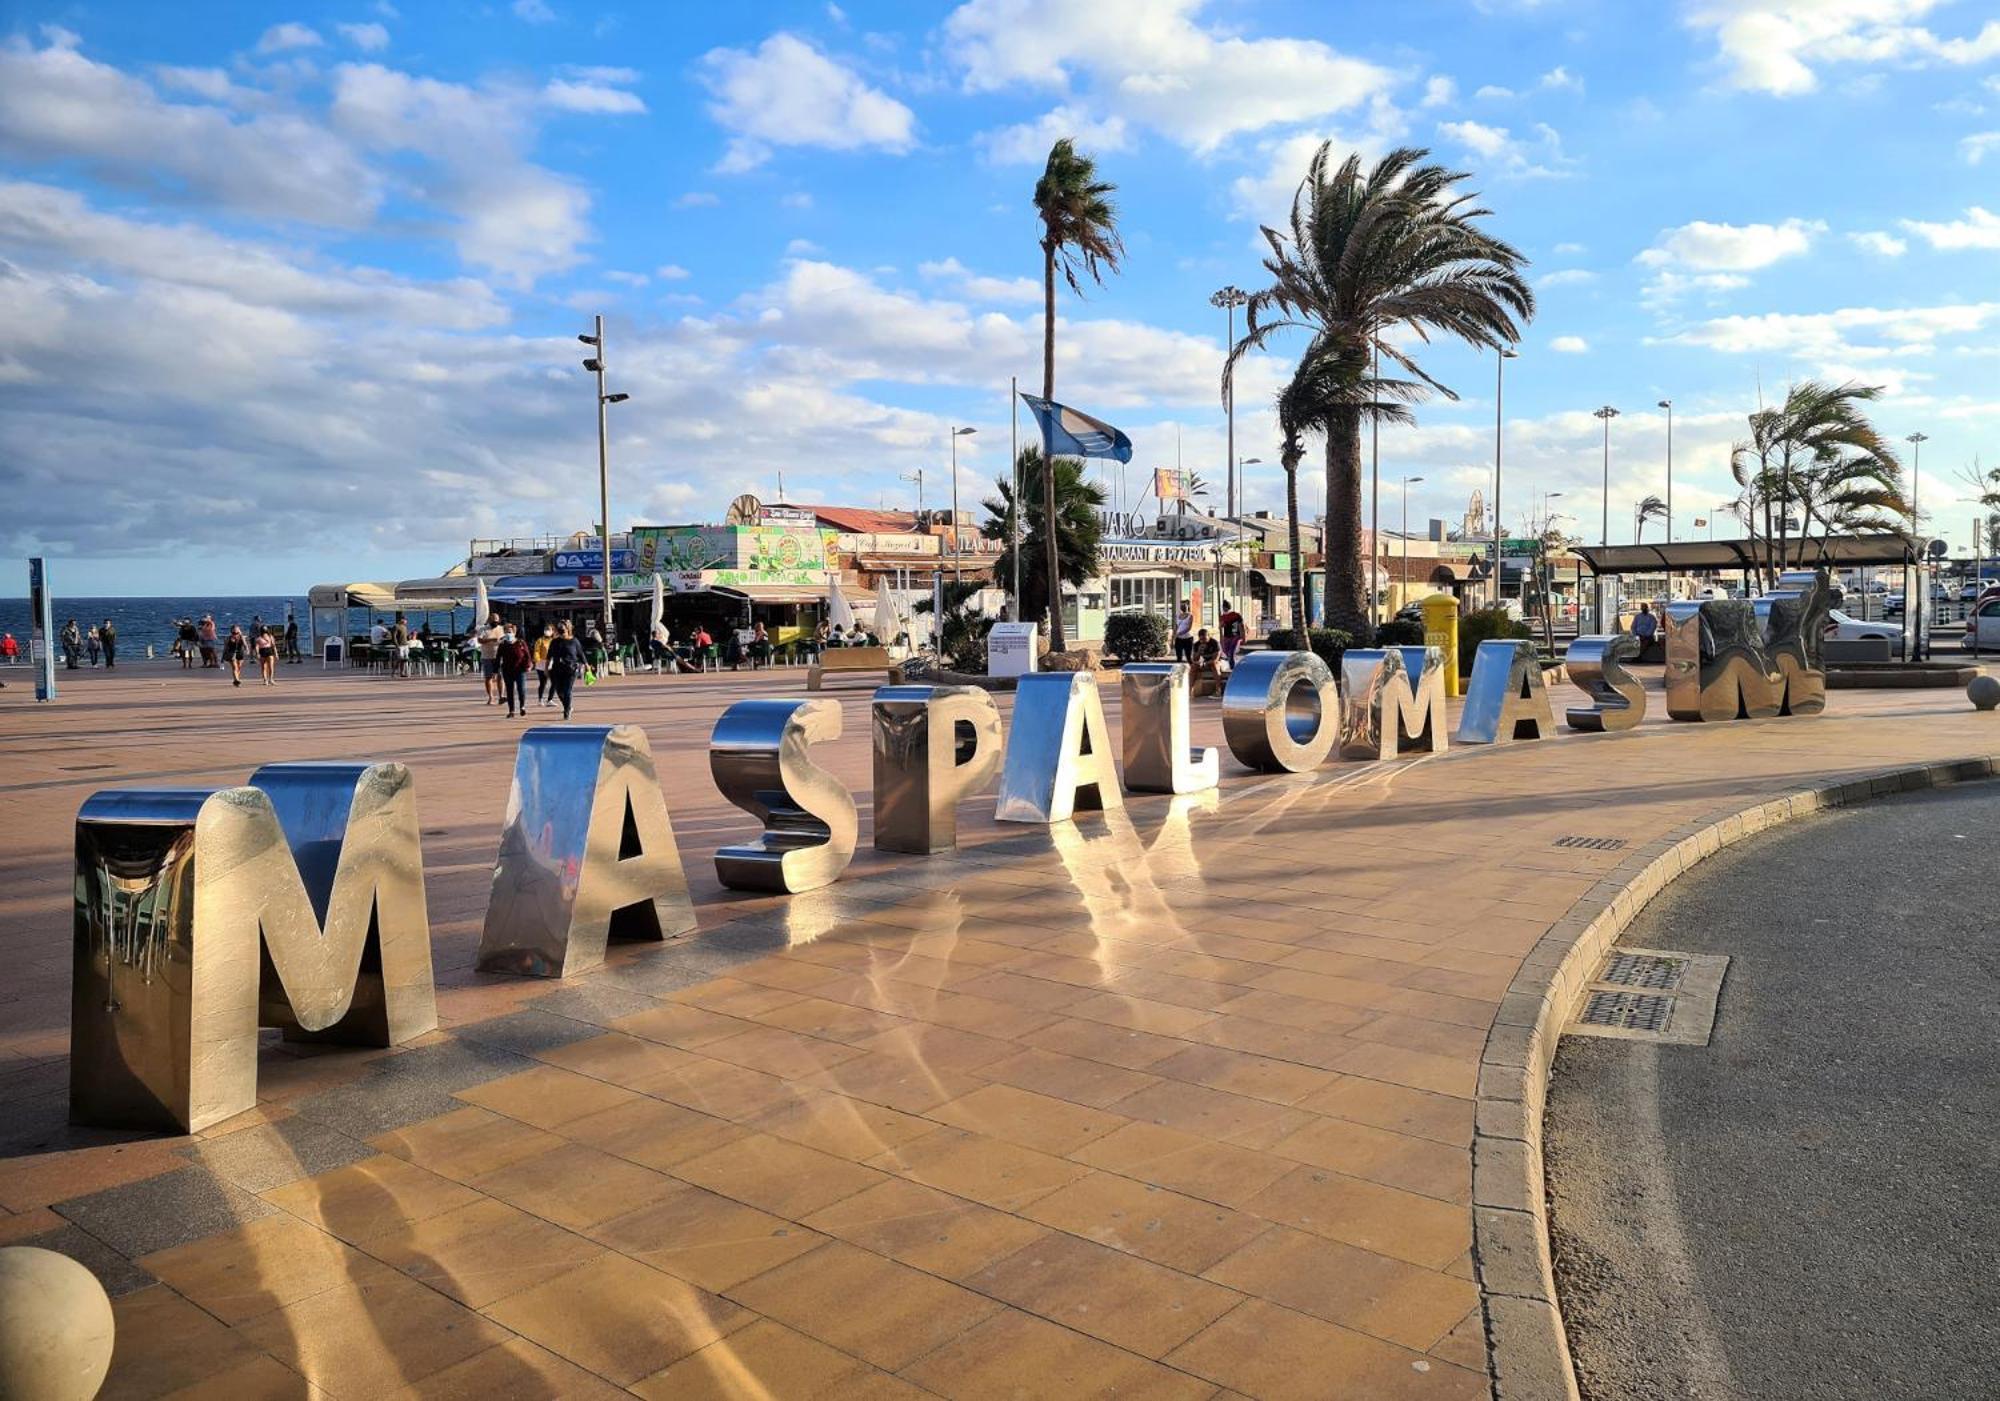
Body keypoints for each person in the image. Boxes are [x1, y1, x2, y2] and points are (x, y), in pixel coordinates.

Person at [545, 620, 584, 720]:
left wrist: (587, 665)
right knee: (559, 692)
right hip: (557, 669)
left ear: (568, 628)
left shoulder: (574, 641)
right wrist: (546, 668)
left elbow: (580, 654)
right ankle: (568, 706)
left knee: (567, 690)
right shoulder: (555, 641)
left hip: (571, 669)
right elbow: (549, 656)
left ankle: (566, 711)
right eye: (559, 627)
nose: (561, 629)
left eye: (562, 627)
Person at [497, 623, 531, 718]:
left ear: (514, 632)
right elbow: (498, 657)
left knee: (521, 689)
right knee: (510, 690)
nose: (508, 633)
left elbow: (527, 655)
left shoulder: (521, 642)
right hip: (507, 670)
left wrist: (528, 665)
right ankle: (511, 710)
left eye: (510, 632)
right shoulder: (503, 644)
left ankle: (522, 707)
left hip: (520, 670)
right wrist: (495, 670)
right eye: (506, 632)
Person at [477, 612, 505, 704]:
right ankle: (491, 697)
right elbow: (479, 640)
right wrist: (491, 640)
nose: (495, 622)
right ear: (489, 620)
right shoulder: (483, 629)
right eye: (493, 620)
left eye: (496, 621)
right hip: (487, 656)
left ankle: (501, 696)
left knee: (500, 677)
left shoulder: (501, 629)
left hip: (499, 656)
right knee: (488, 677)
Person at [1219, 598, 1245, 668]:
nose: (1224, 608)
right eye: (1223, 607)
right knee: (1227, 652)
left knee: (1230, 652)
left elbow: (1241, 626)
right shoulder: (1223, 617)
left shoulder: (1236, 615)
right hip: (1227, 636)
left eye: (1224, 607)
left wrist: (1243, 637)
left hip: (1235, 636)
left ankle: (1232, 667)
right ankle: (1233, 664)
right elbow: (1221, 628)